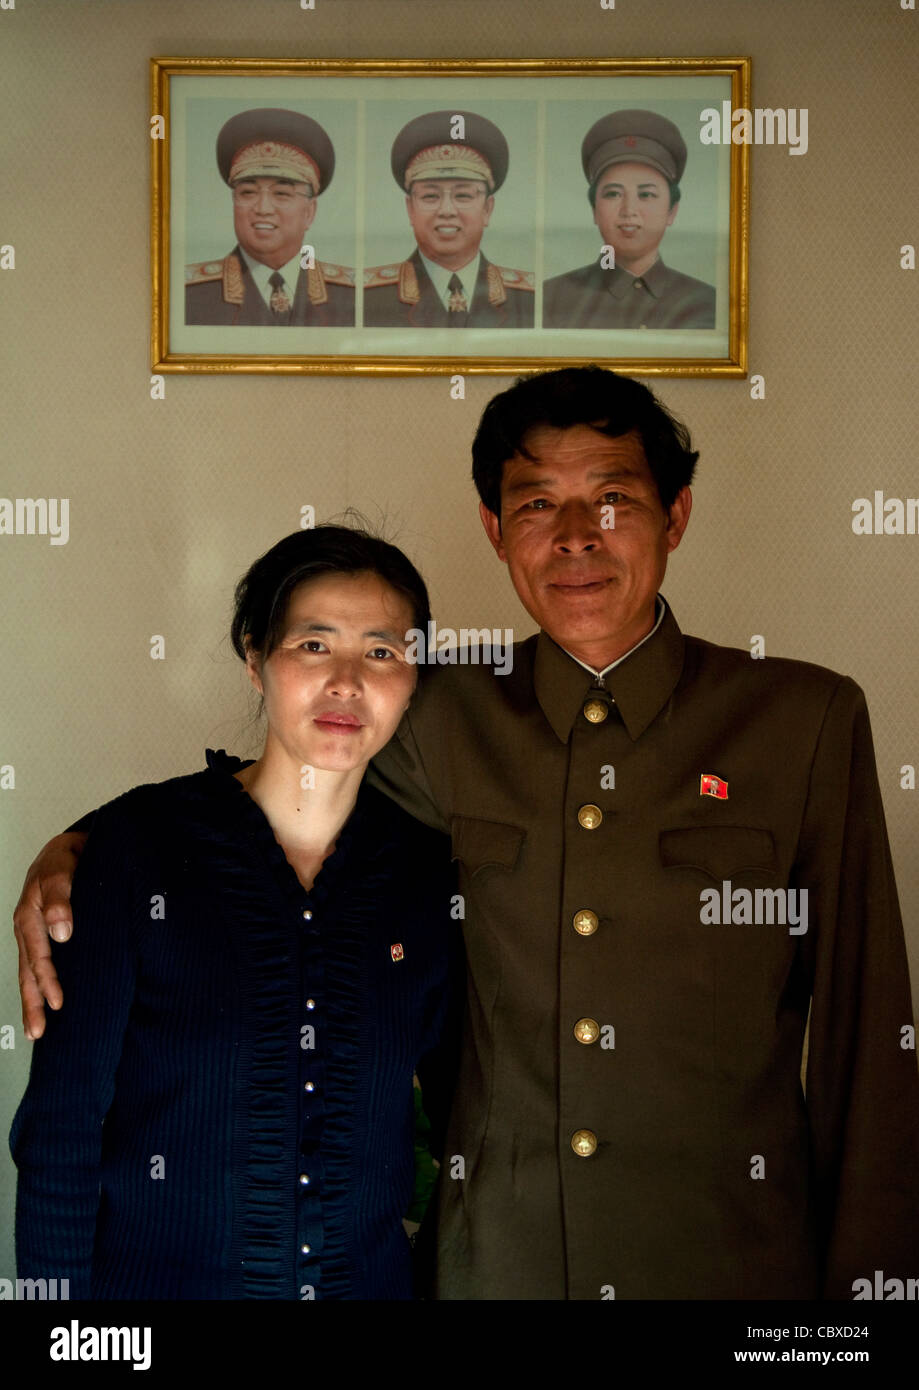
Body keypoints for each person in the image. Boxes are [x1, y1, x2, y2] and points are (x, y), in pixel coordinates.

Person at [14, 370, 919, 1301]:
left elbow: (866, 1035)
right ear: (494, 529)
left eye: (613, 498)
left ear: (675, 514)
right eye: (536, 503)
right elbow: (277, 789)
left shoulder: (798, 720)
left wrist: (864, 1310)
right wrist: (85, 848)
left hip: (729, 1268)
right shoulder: (437, 709)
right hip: (495, 1265)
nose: (576, 536)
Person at [10, 526, 460, 1299]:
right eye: (314, 647)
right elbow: (61, 1133)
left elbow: (462, 1121)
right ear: (255, 660)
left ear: (415, 677)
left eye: (382, 652)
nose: (347, 681)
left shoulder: (428, 877)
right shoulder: (134, 850)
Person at [543, 110, 716, 330]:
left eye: (646, 195)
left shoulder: (705, 303)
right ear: (594, 210)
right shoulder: (552, 299)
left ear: (672, 211)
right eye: (613, 194)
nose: (629, 210)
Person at [185, 108, 356, 327]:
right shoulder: (190, 296)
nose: (263, 208)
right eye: (248, 192)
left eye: (282, 194)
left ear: (310, 212)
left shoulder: (349, 295)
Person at [363, 110, 534, 329]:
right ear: (410, 209)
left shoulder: (528, 299)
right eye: (430, 196)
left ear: (487, 209)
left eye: (463, 196)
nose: (446, 210)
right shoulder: (369, 299)